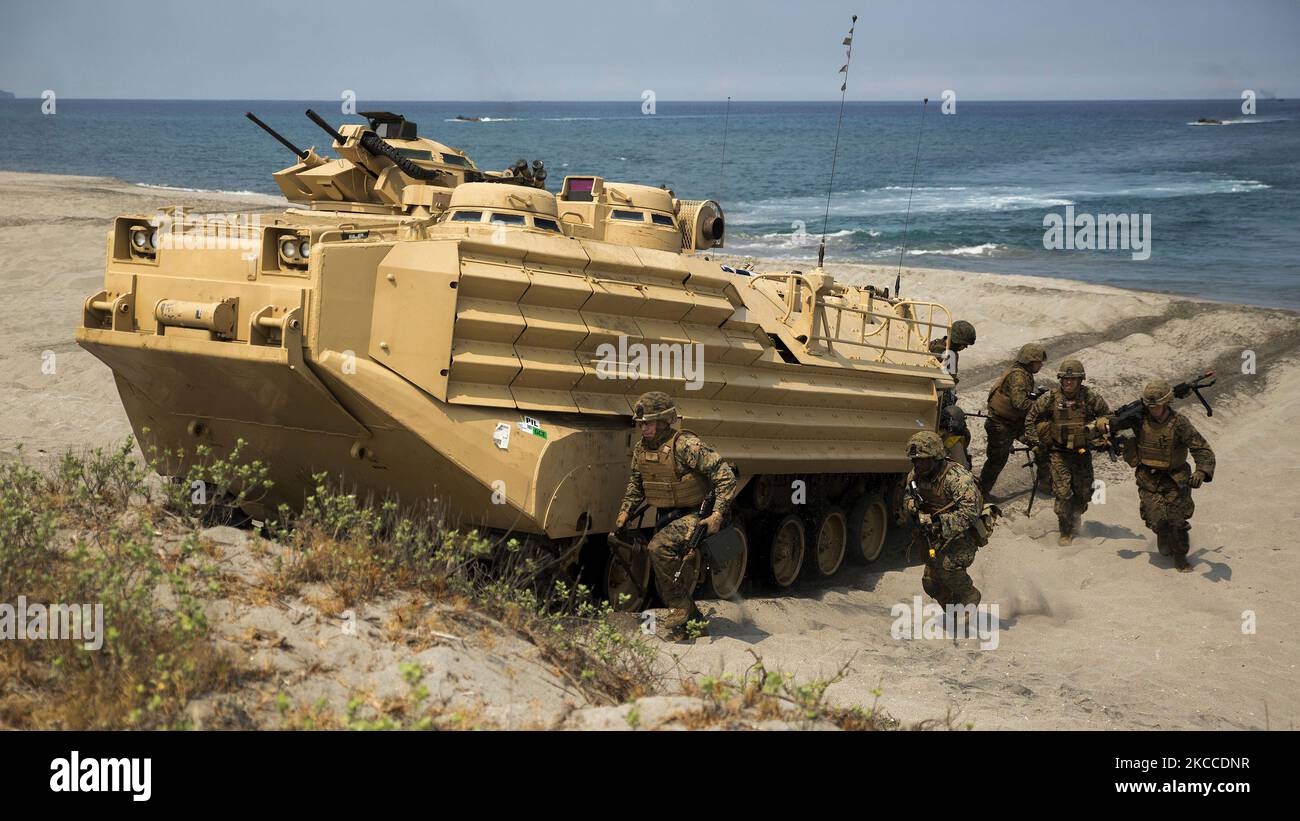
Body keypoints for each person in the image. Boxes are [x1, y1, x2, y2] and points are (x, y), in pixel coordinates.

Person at [616, 391, 737, 638]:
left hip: (697, 514)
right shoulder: (642, 449)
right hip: (668, 515)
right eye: (641, 424)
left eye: (647, 423)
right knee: (658, 555)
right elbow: (636, 484)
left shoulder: (685, 445)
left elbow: (725, 475)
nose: (643, 428)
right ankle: (691, 620)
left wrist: (717, 514)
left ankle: (681, 608)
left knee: (658, 547)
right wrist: (625, 511)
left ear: (663, 421)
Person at [1110, 380, 1216, 572]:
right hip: (1148, 479)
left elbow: (1201, 448)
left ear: (1167, 403)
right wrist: (1106, 424)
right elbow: (1112, 422)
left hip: (1176, 479)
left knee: (1177, 520)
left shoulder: (1179, 423)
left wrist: (1202, 471)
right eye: (1150, 406)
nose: (1154, 410)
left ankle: (1181, 558)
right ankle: (1163, 536)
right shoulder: (1139, 420)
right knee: (1157, 520)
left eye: (1157, 406)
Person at [1024, 359, 1111, 545]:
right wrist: (1035, 443)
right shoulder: (1050, 398)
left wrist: (1101, 429)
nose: (1068, 382)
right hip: (1058, 453)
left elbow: (1108, 416)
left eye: (1073, 379)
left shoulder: (1090, 397)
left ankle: (1075, 517)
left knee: (1084, 495)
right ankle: (1065, 531)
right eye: (1065, 379)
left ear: (1080, 380)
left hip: (1082, 453)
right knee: (1063, 494)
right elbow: (1031, 418)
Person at [902, 430, 988, 607]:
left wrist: (940, 524)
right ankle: (952, 611)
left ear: (936, 457)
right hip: (932, 537)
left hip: (961, 534)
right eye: (914, 461)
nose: (917, 465)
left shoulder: (957, 478)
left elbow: (971, 511)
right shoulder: (915, 476)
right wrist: (912, 506)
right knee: (931, 583)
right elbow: (907, 496)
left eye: (922, 460)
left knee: (947, 567)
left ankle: (969, 595)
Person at [979, 343, 1048, 497]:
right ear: (1030, 361)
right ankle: (980, 494)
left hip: (1013, 423)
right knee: (996, 461)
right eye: (1038, 362)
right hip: (1001, 425)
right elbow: (1020, 404)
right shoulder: (1018, 376)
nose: (1041, 365)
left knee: (1041, 444)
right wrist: (1041, 405)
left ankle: (1045, 483)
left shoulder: (1022, 373)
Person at [930, 320, 977, 467]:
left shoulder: (935, 345)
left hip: (932, 400)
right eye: (964, 344)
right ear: (957, 340)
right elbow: (947, 386)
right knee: (962, 434)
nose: (965, 347)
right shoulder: (948, 355)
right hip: (936, 406)